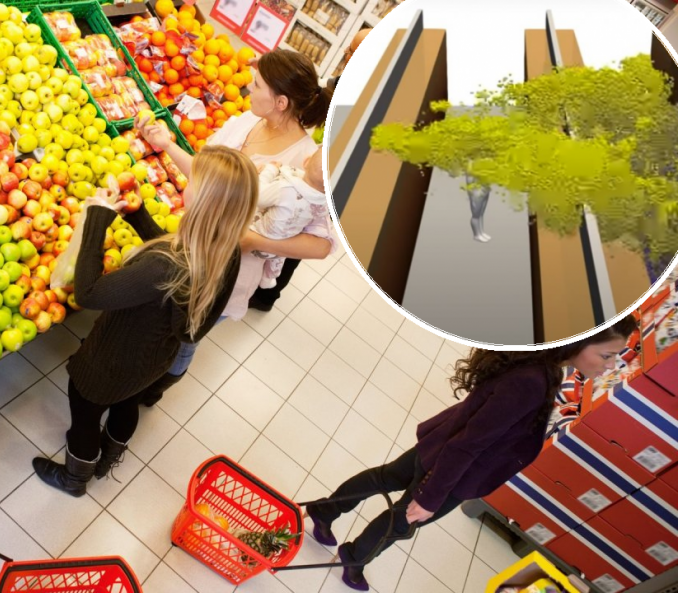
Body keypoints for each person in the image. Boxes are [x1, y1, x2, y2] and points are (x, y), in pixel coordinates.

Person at [304, 315, 639, 591]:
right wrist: (432, 496)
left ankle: (323, 511)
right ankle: (354, 559)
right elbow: (471, 444)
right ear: (580, 342)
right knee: (404, 518)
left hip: (443, 440)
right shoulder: (533, 381)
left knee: (387, 476)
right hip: (457, 468)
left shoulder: (542, 359)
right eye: (606, 355)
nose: (610, 365)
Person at [32, 146, 259, 497]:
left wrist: (97, 218)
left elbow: (89, 294)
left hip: (110, 362)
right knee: (126, 404)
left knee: (85, 412)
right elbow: (171, 275)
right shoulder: (222, 252)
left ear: (206, 200)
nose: (186, 182)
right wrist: (138, 218)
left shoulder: (167, 265)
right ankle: (108, 457)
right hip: (154, 359)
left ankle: (75, 477)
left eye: (193, 180)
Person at [137, 49, 335, 404]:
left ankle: (154, 389)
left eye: (257, 84)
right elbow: (204, 172)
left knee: (186, 333)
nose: (248, 86)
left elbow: (321, 245)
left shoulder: (305, 162)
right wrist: (165, 145)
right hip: (191, 246)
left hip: (227, 272)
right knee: (162, 320)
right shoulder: (246, 122)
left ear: (280, 101)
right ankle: (141, 371)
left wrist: (250, 240)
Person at [250, 148, 327, 289]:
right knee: (279, 257)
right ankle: (268, 278)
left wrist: (270, 170)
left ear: (305, 162)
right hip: (283, 245)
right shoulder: (324, 203)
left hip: (258, 234)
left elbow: (259, 196)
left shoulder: (286, 188)